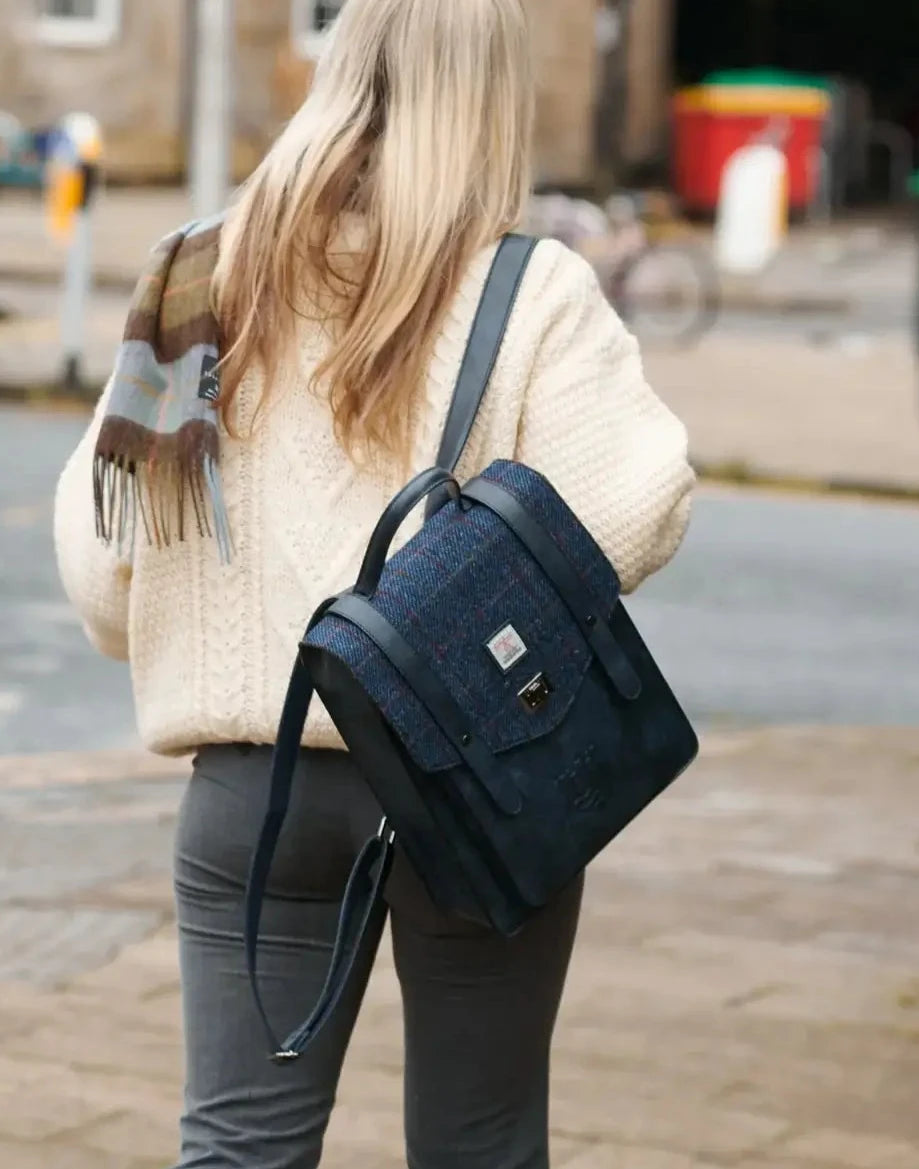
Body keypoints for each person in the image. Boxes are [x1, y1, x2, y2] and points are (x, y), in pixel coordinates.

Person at [53, 0, 695, 1164]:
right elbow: (641, 495)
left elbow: (108, 578)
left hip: (257, 796)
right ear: (494, 98)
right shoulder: (532, 290)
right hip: (475, 785)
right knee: (482, 1141)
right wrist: (433, 641)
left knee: (238, 1146)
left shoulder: (195, 276)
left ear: (342, 70)